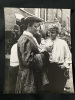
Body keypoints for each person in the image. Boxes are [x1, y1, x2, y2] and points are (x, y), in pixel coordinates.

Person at [15, 16, 49, 93]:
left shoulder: (28, 37)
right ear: (28, 26)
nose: (38, 29)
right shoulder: (26, 39)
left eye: (38, 26)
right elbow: (28, 61)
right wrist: (44, 54)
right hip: (29, 78)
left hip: (29, 76)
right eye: (35, 26)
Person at [42, 24, 72, 93]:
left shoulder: (63, 43)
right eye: (49, 32)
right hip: (49, 69)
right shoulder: (45, 42)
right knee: (49, 90)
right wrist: (45, 50)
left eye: (52, 32)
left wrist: (65, 65)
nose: (50, 34)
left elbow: (68, 56)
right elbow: (42, 55)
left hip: (60, 69)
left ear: (57, 33)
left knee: (59, 90)